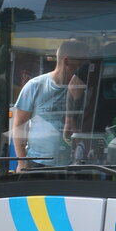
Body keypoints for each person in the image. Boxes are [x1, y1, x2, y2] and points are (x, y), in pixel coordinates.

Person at [11, 40, 89, 169]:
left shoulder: (85, 88)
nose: (83, 69)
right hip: (38, 163)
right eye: (81, 64)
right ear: (67, 61)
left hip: (75, 164)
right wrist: (22, 162)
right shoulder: (35, 86)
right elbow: (19, 126)